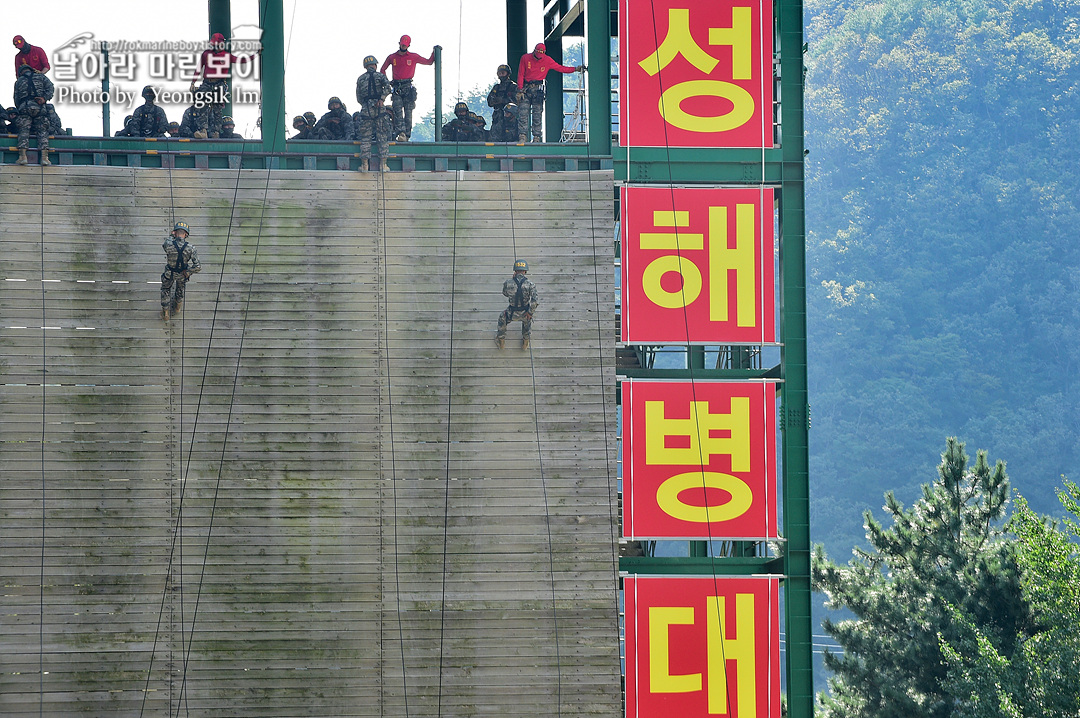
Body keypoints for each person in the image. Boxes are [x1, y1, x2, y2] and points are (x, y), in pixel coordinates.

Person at [189, 32, 258, 139]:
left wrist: (255, 55)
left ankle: (215, 132)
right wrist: (193, 81)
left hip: (219, 83)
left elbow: (241, 60)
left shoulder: (226, 55)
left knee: (217, 109)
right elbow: (199, 68)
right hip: (207, 82)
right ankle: (203, 130)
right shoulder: (206, 54)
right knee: (202, 105)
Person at [516, 43, 583, 143]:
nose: (538, 58)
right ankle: (522, 136)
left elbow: (561, 68)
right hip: (526, 89)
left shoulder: (547, 60)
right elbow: (521, 74)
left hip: (538, 89)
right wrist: (520, 90)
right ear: (534, 51)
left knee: (537, 114)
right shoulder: (525, 58)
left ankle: (536, 137)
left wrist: (575, 69)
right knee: (523, 112)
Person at [379, 34, 438, 142]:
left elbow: (429, 62)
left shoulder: (413, 57)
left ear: (408, 45)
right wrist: (387, 82)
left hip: (408, 87)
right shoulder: (392, 57)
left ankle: (406, 135)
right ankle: (400, 132)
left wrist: (435, 52)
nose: (403, 47)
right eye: (402, 44)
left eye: (405, 45)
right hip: (397, 86)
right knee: (397, 111)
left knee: (408, 112)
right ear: (399, 44)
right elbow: (383, 69)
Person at [355, 55, 392, 171]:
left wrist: (366, 104)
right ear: (375, 65)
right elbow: (388, 88)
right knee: (382, 136)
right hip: (379, 107)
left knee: (366, 137)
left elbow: (359, 97)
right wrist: (381, 99)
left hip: (366, 108)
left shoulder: (360, 79)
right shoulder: (380, 76)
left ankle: (365, 165)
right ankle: (383, 165)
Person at [13, 64, 54, 165]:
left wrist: (21, 107)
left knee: (23, 131)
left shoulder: (18, 81)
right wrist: (44, 98)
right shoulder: (41, 77)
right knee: (43, 130)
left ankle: (22, 157)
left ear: (21, 72)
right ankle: (44, 158)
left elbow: (16, 98)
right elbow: (51, 88)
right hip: (39, 107)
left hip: (25, 108)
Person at [160, 221, 201, 321]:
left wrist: (171, 235)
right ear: (186, 234)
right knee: (180, 290)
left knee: (165, 290)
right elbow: (198, 266)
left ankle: (165, 313)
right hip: (182, 274)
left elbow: (166, 243)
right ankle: (177, 308)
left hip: (169, 273)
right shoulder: (191, 248)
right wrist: (188, 272)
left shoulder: (168, 244)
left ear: (175, 232)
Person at [495, 259, 539, 350]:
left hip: (511, 313)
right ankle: (525, 342)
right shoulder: (531, 284)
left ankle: (501, 341)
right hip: (525, 313)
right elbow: (535, 301)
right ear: (525, 271)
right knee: (527, 323)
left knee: (501, 318)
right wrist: (530, 313)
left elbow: (505, 293)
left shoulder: (508, 283)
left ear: (515, 271)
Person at [487, 64, 518, 141]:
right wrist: (495, 101)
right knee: (494, 137)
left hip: (509, 116)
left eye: (503, 73)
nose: (501, 75)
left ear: (508, 73)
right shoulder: (496, 87)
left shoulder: (513, 86)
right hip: (497, 115)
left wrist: (503, 100)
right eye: (499, 73)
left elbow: (517, 101)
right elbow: (489, 102)